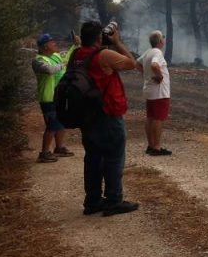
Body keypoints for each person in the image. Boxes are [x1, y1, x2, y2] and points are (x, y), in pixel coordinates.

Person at [71, 20, 141, 217]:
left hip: (87, 116)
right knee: (113, 156)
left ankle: (92, 201)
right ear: (99, 37)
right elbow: (132, 63)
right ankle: (113, 200)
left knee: (92, 157)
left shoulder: (76, 55)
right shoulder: (104, 55)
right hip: (107, 113)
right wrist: (117, 42)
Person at [31, 32, 80, 163]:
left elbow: (67, 58)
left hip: (59, 96)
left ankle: (59, 147)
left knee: (61, 122)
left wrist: (75, 46)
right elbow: (49, 70)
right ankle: (44, 152)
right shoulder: (38, 60)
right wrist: (62, 66)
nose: (55, 44)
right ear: (45, 46)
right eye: (52, 42)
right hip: (48, 97)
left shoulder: (55, 56)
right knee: (52, 125)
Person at [138, 30, 171, 156]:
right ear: (160, 41)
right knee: (158, 118)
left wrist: (146, 75)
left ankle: (151, 145)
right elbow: (155, 65)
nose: (164, 39)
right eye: (163, 37)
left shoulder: (148, 52)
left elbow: (137, 63)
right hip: (159, 92)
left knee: (150, 117)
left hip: (150, 90)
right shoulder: (157, 52)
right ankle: (157, 147)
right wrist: (160, 76)